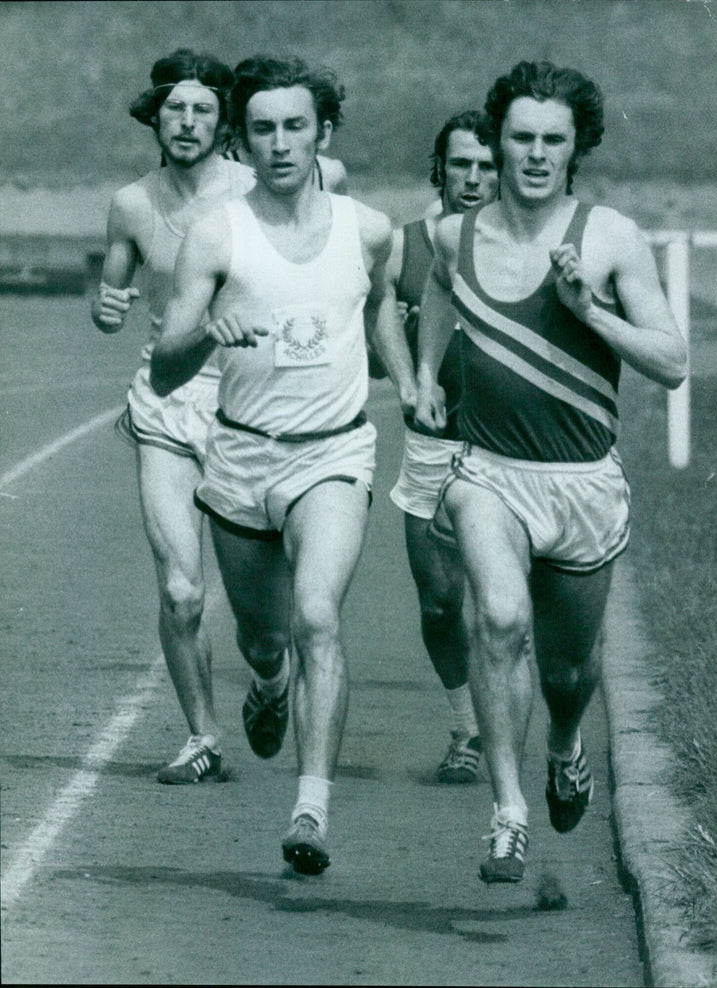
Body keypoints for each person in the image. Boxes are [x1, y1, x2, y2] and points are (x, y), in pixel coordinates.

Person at [415, 60, 687, 884]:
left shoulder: (609, 237)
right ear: (497, 142)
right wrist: (427, 374)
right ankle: (507, 814)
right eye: (520, 138)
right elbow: (436, 288)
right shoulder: (452, 234)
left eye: (552, 141)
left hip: (582, 484)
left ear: (577, 149)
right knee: (496, 619)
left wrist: (590, 313)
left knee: (570, 670)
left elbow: (672, 361)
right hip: (488, 473)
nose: (534, 155)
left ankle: (566, 750)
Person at [150, 55, 393, 877]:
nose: (280, 143)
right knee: (264, 637)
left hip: (333, 453)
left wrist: (410, 370)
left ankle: (310, 810)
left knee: (317, 614)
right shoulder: (216, 235)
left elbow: (382, 296)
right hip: (242, 457)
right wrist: (200, 339)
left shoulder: (368, 227)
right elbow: (163, 371)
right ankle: (269, 678)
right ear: (239, 139)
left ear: (323, 132)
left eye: (295, 126)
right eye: (261, 128)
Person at [90, 50, 348, 787]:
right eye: (177, 109)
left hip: (250, 405)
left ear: (223, 123)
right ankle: (202, 736)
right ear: (156, 117)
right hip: (168, 398)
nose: (189, 121)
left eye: (204, 110)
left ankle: (268, 681)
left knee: (266, 634)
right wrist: (108, 310)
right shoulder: (131, 204)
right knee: (180, 587)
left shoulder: (258, 188)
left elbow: (334, 205)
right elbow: (113, 297)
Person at [378, 112, 498, 783]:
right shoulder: (407, 244)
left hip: (510, 448)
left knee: (504, 604)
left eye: (485, 165)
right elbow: (377, 316)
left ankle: (498, 735)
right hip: (433, 445)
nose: (474, 178)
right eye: (461, 165)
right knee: (440, 603)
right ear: (440, 168)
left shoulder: (518, 243)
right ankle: (466, 727)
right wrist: (404, 377)